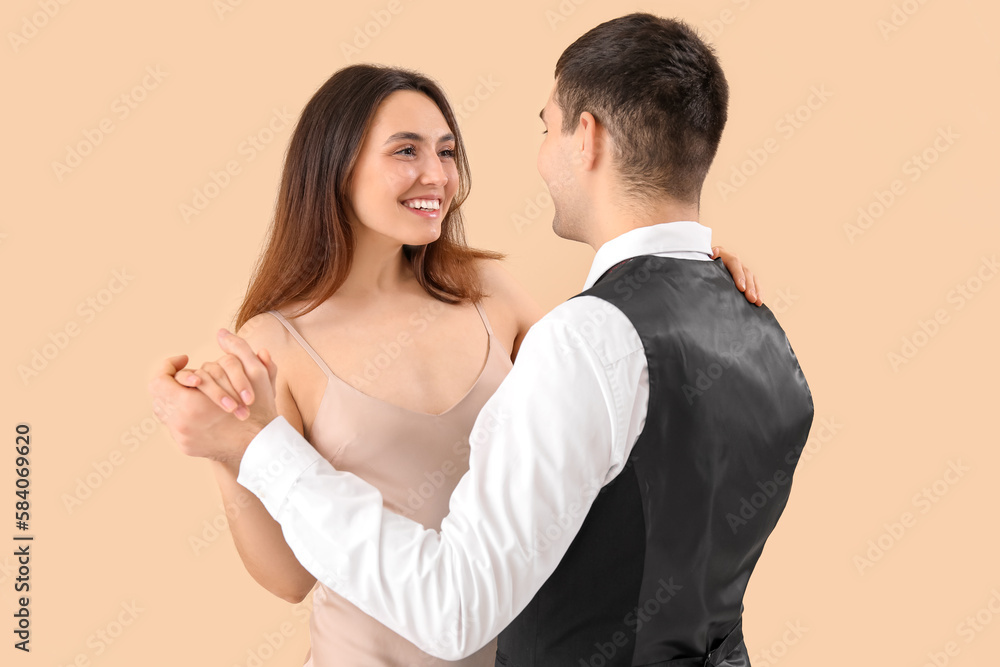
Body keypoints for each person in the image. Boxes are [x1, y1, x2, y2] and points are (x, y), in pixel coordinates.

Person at [149, 58, 763, 666]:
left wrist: (682, 278)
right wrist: (230, 451)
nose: (436, 175)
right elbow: (288, 580)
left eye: (446, 152)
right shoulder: (276, 343)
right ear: (335, 167)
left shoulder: (492, 293)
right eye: (405, 151)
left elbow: (613, 384)